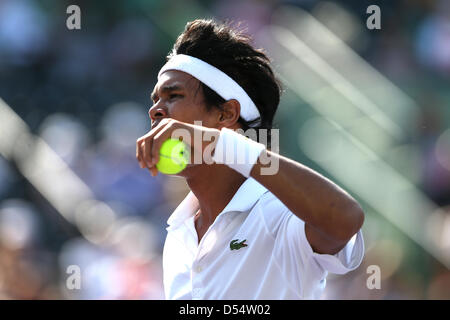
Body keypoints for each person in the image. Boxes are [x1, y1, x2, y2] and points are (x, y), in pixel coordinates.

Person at [136, 19, 365, 299]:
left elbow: (346, 218)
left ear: (227, 114)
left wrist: (216, 142)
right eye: (155, 99)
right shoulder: (178, 232)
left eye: (173, 95)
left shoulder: (279, 210)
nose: (155, 110)